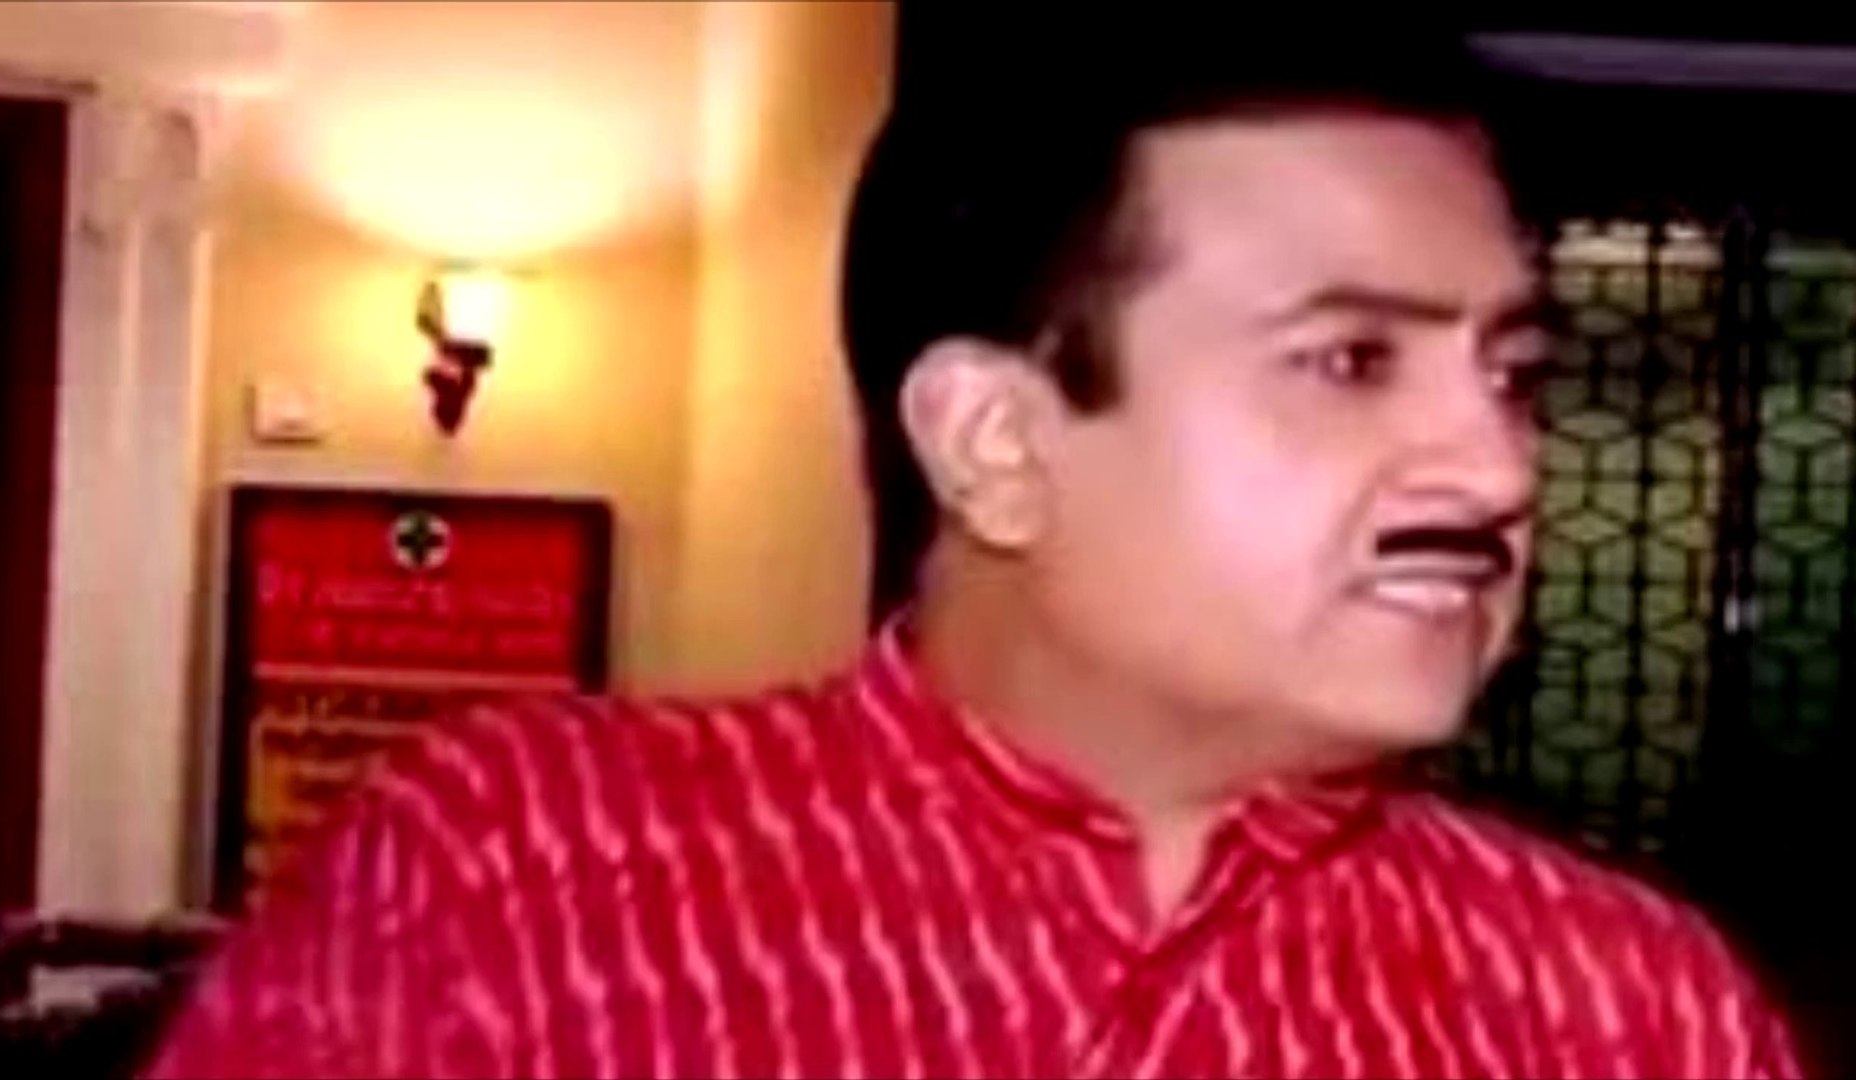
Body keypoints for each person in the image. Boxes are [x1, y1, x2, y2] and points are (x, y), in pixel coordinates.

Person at [148, 29, 1802, 1080]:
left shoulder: (1618, 1008)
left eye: (1512, 374)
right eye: (1351, 361)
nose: (1495, 467)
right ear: (995, 442)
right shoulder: (521, 880)